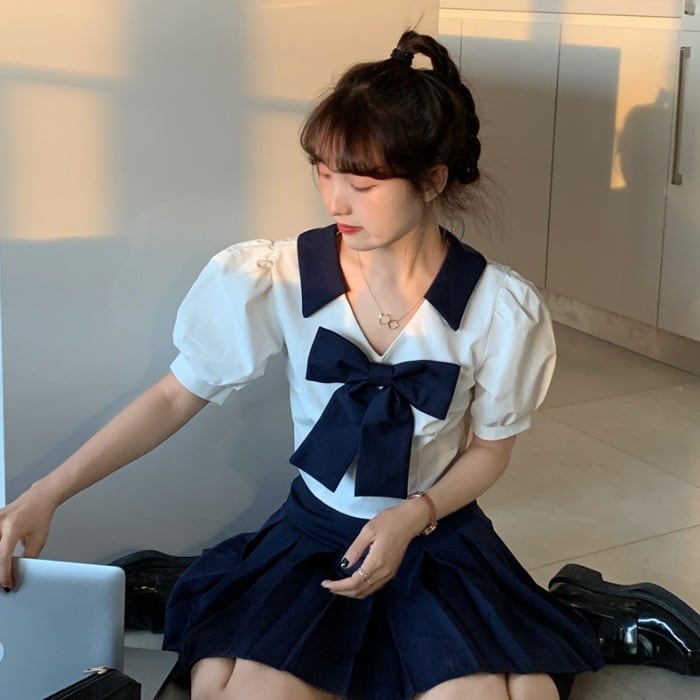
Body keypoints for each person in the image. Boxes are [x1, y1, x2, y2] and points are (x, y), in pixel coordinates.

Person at [0, 31, 607, 700]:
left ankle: (588, 606)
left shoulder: (497, 307)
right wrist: (45, 493)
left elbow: (491, 450)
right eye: (323, 172)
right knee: (231, 689)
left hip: (436, 539)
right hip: (318, 535)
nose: (335, 200)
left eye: (363, 183)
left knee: (513, 694)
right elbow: (174, 396)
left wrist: (414, 515)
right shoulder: (277, 277)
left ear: (432, 181)